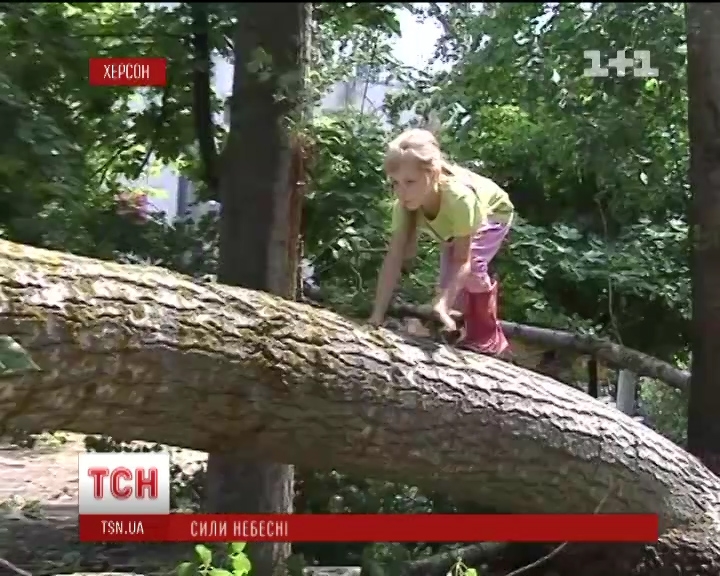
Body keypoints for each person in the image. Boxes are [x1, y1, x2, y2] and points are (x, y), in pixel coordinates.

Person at [368, 128, 514, 355]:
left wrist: (444, 302)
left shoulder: (458, 198)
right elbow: (393, 259)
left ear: (433, 173)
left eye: (410, 182)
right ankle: (455, 329)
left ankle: (488, 336)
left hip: (494, 213)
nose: (401, 192)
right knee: (446, 285)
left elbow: (462, 260)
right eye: (395, 183)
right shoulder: (404, 206)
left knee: (472, 267)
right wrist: (376, 316)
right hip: (453, 229)